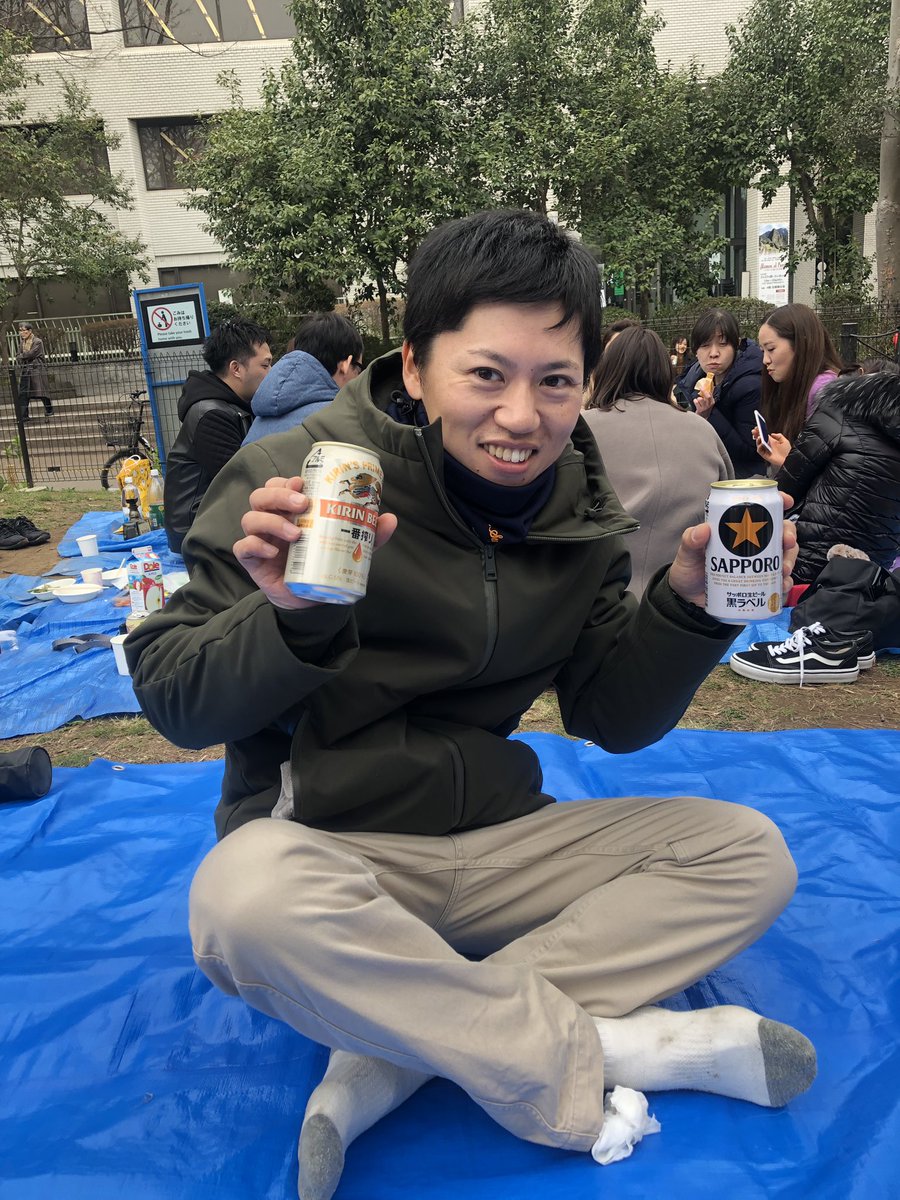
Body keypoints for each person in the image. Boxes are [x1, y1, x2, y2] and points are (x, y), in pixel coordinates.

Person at [126, 210, 813, 1199]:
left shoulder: (580, 510)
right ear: (415, 367)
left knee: (747, 853)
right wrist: (287, 619)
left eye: (555, 381)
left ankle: (398, 1049)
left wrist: (689, 607)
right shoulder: (297, 476)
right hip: (332, 848)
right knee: (240, 898)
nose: (521, 416)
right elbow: (173, 697)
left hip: (498, 839)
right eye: (486, 374)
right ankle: (607, 1051)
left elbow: (611, 716)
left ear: (587, 380)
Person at [582, 325, 733, 595]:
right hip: (685, 593)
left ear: (606, 370)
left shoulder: (581, 430)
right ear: (665, 373)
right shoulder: (702, 431)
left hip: (598, 594)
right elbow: (728, 508)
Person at [754, 371, 900, 583]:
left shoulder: (837, 411)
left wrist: (789, 460)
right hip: (873, 579)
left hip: (806, 566)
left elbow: (784, 494)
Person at [163, 317, 272, 554]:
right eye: (265, 366)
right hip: (194, 533)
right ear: (236, 369)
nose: (271, 373)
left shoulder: (235, 406)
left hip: (211, 521)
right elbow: (241, 482)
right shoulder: (211, 415)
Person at [243, 312, 365, 445]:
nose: (358, 378)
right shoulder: (344, 425)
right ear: (345, 365)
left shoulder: (257, 425)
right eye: (359, 369)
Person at [677, 309, 764, 477]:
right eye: (705, 345)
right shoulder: (691, 381)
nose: (714, 353)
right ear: (695, 350)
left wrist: (710, 414)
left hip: (740, 480)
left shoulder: (751, 385)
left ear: (736, 345)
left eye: (723, 344)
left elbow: (750, 452)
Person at [758, 304, 843, 452]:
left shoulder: (824, 390)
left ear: (800, 344)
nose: (765, 360)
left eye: (771, 349)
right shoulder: (791, 384)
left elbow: (834, 461)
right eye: (762, 351)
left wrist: (789, 460)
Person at [15, 323, 52, 420]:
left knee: (40, 391)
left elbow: (31, 354)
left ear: (30, 331)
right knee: (23, 393)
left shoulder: (37, 341)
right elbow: (18, 355)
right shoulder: (22, 343)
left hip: (36, 369)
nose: (22, 332)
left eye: (24, 330)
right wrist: (21, 357)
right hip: (26, 369)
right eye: (20, 330)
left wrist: (22, 356)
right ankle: (23, 415)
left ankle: (49, 409)